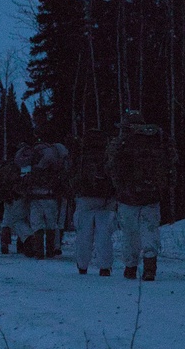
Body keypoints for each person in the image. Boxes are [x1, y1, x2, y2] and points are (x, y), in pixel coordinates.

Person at [106, 110, 173, 282]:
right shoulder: (158, 138)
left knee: (130, 233)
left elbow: (112, 165)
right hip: (152, 194)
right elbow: (171, 161)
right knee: (150, 230)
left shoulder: (123, 141)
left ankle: (131, 267)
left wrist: (118, 187)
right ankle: (150, 268)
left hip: (128, 196)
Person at [71, 129, 116, 276]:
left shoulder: (82, 156)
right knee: (104, 233)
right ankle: (105, 267)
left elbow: (72, 175)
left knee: (84, 234)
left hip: (85, 198)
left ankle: (82, 266)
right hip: (106, 198)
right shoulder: (109, 154)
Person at [16, 140, 70, 259]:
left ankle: (39, 252)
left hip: (35, 199)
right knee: (51, 225)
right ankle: (50, 251)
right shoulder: (54, 168)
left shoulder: (33, 169)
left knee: (37, 225)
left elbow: (25, 183)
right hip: (50, 198)